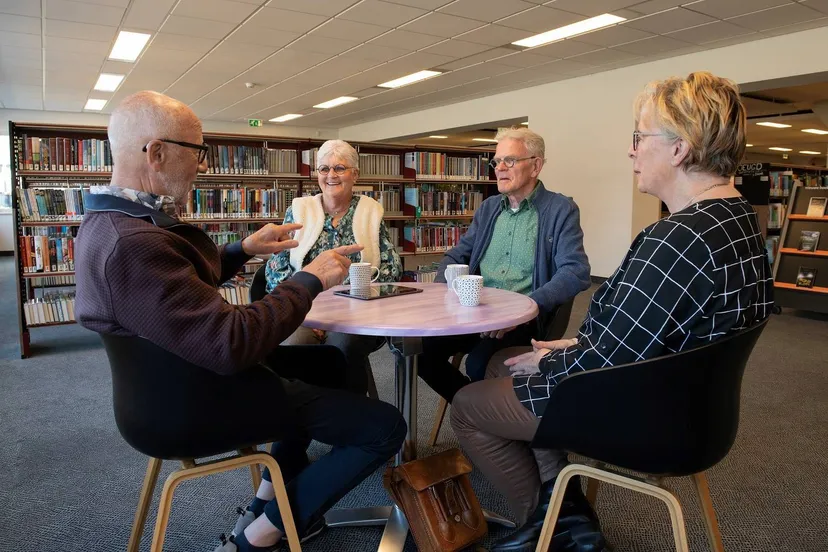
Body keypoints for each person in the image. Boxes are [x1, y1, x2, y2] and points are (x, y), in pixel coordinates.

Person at [450, 72, 774, 552]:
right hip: (692, 409)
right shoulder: (740, 222)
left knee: (468, 407)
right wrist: (572, 344)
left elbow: (608, 362)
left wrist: (553, 360)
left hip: (644, 415)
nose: (631, 150)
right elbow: (659, 333)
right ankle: (570, 517)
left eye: (640, 137)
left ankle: (550, 526)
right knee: (504, 362)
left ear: (680, 149)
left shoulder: (675, 241)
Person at [74, 91, 406, 552]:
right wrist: (310, 279)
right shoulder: (133, 243)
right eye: (198, 152)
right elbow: (233, 343)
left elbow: (177, 290)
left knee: (330, 366)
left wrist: (241, 251)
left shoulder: (113, 224)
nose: (203, 166)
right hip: (190, 403)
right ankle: (262, 534)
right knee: (386, 428)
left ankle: (270, 496)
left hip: (169, 384)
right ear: (156, 152)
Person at [417, 127, 591, 403]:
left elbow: (576, 272)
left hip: (522, 318)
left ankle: (482, 417)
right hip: (475, 313)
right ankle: (473, 408)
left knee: (479, 363)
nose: (499, 169)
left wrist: (527, 306)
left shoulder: (560, 210)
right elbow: (456, 255)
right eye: (496, 162)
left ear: (536, 166)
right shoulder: (488, 209)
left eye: (509, 161)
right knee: (418, 351)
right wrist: (443, 290)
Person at [265, 139, 402, 395]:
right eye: (324, 169)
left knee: (344, 346)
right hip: (304, 312)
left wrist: (362, 292)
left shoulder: (370, 213)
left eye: (339, 168)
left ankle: (351, 415)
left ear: (355, 174)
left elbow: (392, 269)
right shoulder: (298, 211)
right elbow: (276, 270)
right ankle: (306, 415)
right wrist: (300, 310)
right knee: (292, 345)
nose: (331, 175)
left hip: (356, 315)